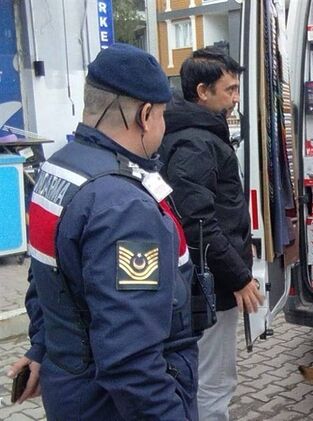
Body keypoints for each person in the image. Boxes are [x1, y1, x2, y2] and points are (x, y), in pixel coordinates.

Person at [5, 43, 199, 419]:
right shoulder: (123, 205)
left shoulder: (59, 168)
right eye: (162, 114)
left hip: (72, 384)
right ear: (146, 115)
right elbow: (131, 358)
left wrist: (43, 346)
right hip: (110, 404)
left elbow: (46, 276)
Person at [159, 46, 264, 420]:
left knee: (211, 376)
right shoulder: (195, 142)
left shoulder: (197, 134)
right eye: (230, 90)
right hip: (211, 287)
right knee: (213, 380)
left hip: (211, 279)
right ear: (203, 92)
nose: (235, 99)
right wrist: (238, 277)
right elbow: (197, 221)